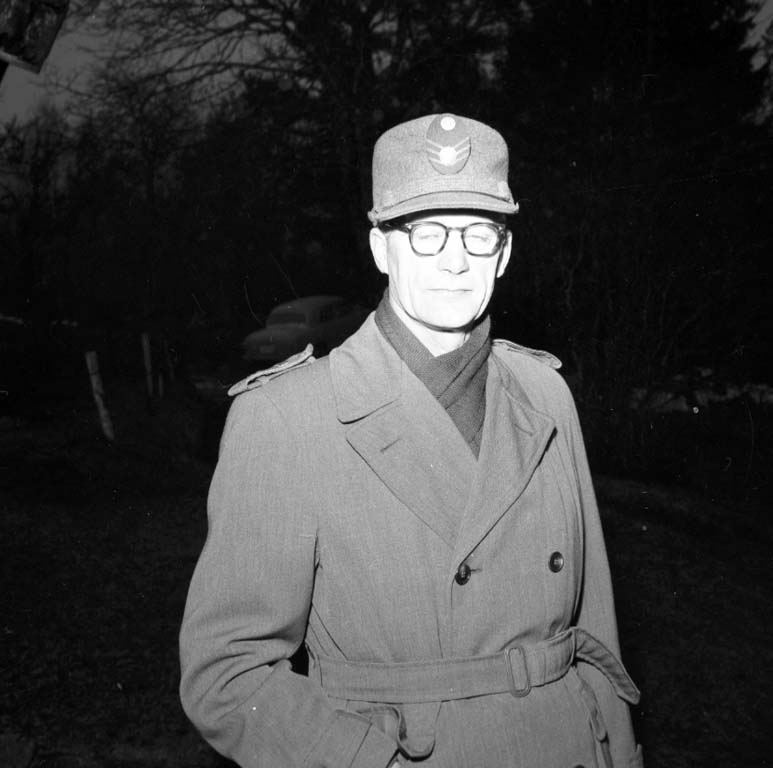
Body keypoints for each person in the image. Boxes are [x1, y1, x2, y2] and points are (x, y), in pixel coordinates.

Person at [179, 113, 643, 768]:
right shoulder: (288, 417)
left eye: (478, 233)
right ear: (380, 248)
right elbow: (227, 676)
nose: (455, 259)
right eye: (426, 233)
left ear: (504, 252)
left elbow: (596, 631)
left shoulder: (545, 395)